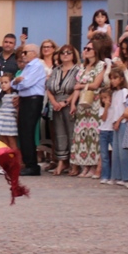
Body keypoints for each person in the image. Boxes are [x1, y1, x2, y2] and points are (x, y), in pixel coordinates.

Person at [69, 38, 108, 178]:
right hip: (82, 103)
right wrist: (73, 103)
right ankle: (85, 165)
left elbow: (96, 84)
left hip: (95, 103)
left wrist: (81, 86)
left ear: (96, 51)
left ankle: (94, 165)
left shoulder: (101, 65)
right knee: (82, 134)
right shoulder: (82, 67)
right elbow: (76, 87)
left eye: (88, 49)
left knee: (93, 134)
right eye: (85, 48)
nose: (85, 51)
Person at [45, 44, 79, 176]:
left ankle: (74, 163)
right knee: (59, 133)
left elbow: (77, 88)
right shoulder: (56, 70)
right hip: (56, 104)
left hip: (70, 102)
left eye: (68, 52)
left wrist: (66, 102)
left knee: (71, 133)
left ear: (73, 55)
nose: (65, 55)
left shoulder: (77, 70)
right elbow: (48, 87)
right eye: (63, 52)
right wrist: (54, 102)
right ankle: (62, 161)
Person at [12, 43, 46, 176]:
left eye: (25, 52)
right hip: (25, 99)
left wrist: (18, 82)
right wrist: (17, 81)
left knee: (27, 132)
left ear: (34, 53)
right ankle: (27, 163)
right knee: (23, 131)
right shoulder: (27, 67)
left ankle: (32, 165)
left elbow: (26, 83)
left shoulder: (37, 66)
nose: (23, 55)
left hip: (33, 100)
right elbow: (14, 84)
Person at [100, 68, 128, 186]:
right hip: (115, 123)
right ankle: (117, 176)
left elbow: (125, 110)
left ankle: (127, 177)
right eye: (111, 78)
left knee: (123, 152)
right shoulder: (114, 93)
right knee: (116, 152)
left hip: (122, 122)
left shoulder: (124, 91)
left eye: (115, 78)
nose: (113, 81)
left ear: (121, 79)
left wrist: (118, 121)